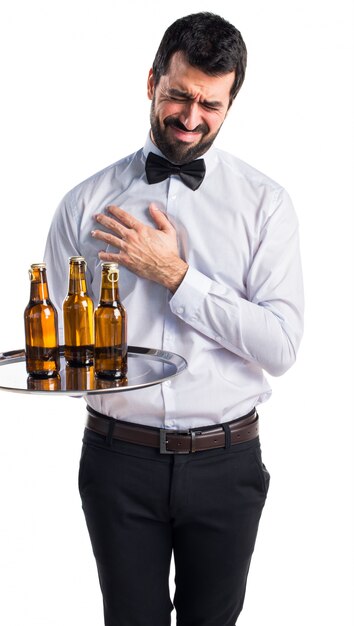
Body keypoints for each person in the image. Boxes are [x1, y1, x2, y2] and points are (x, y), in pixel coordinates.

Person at [44, 12, 304, 626]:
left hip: (226, 461)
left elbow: (282, 346)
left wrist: (178, 278)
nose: (191, 118)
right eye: (179, 95)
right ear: (152, 81)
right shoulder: (83, 204)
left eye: (211, 104)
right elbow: (63, 340)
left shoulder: (266, 205)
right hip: (117, 462)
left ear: (231, 102)